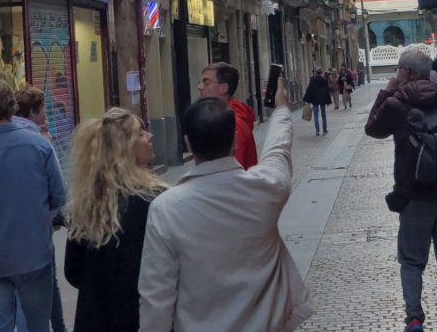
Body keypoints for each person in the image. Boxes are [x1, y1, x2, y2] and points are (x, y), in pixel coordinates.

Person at [139, 79, 315, 332]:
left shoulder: (165, 208)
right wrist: (281, 109)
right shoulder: (266, 188)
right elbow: (278, 149)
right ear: (234, 140)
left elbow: (156, 296)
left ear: (188, 143)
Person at [365, 47, 437, 332]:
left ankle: (414, 318)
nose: (397, 74)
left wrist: (386, 92)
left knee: (412, 261)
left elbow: (372, 129)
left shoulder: (397, 105)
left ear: (408, 73)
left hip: (412, 197)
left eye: (399, 69)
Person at [0, 79, 65, 332]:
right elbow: (58, 197)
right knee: (34, 323)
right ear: (12, 107)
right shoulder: (40, 145)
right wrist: (40, 222)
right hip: (34, 252)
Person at [64, 108, 164, 332]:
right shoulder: (155, 201)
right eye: (140, 133)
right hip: (140, 317)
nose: (150, 136)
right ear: (124, 149)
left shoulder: (87, 205)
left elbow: (73, 270)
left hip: (95, 318)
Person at [12, 87, 66, 332]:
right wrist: (47, 220)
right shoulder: (41, 143)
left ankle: (59, 325)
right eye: (43, 110)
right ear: (33, 112)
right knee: (37, 289)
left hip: (3, 231)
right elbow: (58, 192)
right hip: (36, 230)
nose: (46, 115)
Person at [197, 63, 258, 168]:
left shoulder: (232, 123)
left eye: (206, 82)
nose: (199, 87)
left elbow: (232, 171)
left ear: (223, 88)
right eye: (200, 82)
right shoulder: (226, 119)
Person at [303, 67, 332, 136]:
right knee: (323, 115)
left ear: (316, 72)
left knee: (316, 115)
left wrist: (307, 100)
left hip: (315, 99)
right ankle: (324, 130)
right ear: (321, 72)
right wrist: (328, 101)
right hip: (322, 100)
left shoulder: (312, 80)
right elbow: (327, 91)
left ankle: (317, 131)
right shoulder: (324, 80)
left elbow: (309, 90)